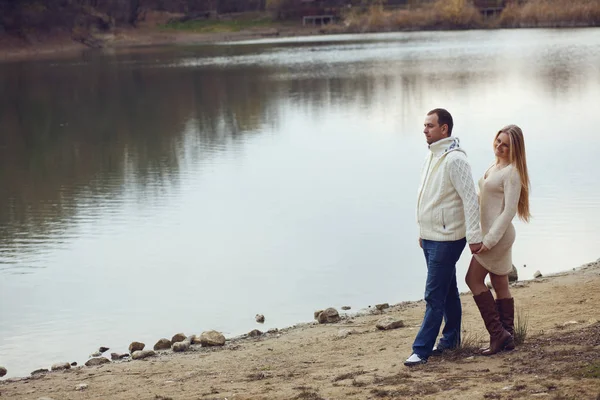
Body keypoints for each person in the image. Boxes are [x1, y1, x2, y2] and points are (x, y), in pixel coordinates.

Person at [404, 109, 483, 366]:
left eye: (429, 125)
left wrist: (474, 237)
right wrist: (422, 232)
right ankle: (450, 341)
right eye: (424, 125)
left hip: (448, 238)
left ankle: (421, 350)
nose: (424, 130)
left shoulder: (455, 160)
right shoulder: (432, 156)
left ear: (444, 129)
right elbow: (428, 197)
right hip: (430, 236)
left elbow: (470, 199)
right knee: (448, 291)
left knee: (433, 295)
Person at [466, 124, 531, 355]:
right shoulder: (495, 166)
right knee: (501, 284)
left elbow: (508, 211)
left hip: (497, 237)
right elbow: (485, 200)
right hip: (491, 235)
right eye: (498, 141)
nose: (499, 146)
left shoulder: (512, 173)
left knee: (472, 280)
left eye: (505, 144)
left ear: (515, 148)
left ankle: (498, 334)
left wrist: (490, 240)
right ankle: (508, 338)